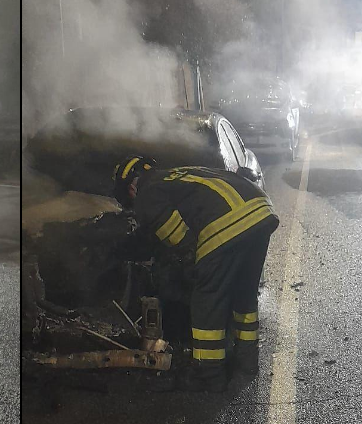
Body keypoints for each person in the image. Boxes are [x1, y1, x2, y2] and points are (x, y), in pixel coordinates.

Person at [112, 156, 279, 392]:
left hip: (227, 222)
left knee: (206, 300)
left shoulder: (147, 192)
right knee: (244, 294)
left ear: (130, 187)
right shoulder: (176, 174)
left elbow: (182, 241)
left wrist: (186, 266)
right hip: (260, 211)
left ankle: (209, 375)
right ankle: (247, 364)